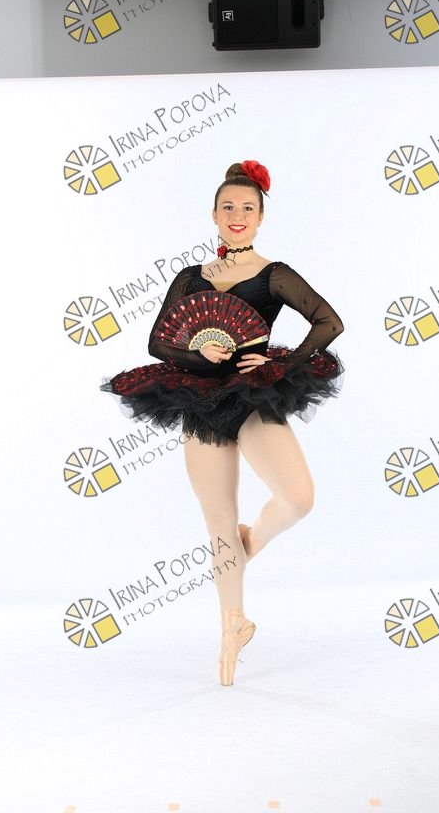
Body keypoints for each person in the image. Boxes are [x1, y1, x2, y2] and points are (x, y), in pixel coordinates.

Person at [103, 160, 344, 686]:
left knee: (298, 498)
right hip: (199, 399)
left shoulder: (274, 274)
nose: (238, 215)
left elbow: (329, 322)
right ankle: (232, 625)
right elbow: (159, 341)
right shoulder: (191, 278)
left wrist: (284, 362)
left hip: (253, 396)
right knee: (217, 521)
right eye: (228, 207)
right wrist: (201, 352)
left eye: (248, 208)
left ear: (260, 218)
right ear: (213, 215)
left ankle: (249, 541)